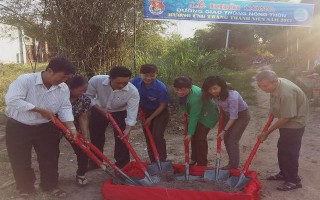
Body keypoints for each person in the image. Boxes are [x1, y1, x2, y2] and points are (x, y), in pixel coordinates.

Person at [5, 57, 76, 199]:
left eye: (66, 79)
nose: (63, 81)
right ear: (50, 71)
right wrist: (40, 110)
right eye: (61, 77)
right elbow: (12, 100)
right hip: (19, 126)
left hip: (46, 127)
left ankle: (49, 186)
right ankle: (26, 188)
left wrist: (72, 128)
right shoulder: (25, 80)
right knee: (20, 159)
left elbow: (65, 107)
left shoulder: (62, 87)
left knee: (49, 157)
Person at [256, 70, 308, 191]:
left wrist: (267, 132)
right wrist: (273, 111)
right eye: (259, 86)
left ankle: (294, 180)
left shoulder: (286, 93)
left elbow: (287, 117)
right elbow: (276, 101)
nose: (262, 89)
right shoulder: (276, 85)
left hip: (295, 123)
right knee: (282, 148)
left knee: (290, 152)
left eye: (264, 86)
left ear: (274, 81)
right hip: (288, 118)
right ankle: (284, 173)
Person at [85, 66, 140, 169]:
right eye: (118, 83)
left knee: (122, 138)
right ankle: (95, 161)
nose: (122, 85)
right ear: (110, 78)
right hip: (99, 109)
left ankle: (122, 165)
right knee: (96, 136)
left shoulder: (133, 92)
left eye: (125, 83)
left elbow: (132, 112)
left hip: (120, 112)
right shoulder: (96, 80)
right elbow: (88, 96)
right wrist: (99, 108)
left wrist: (128, 128)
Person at [202, 76, 250, 170]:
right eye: (210, 89)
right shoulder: (213, 94)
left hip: (241, 116)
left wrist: (224, 130)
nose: (212, 91)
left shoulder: (232, 97)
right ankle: (232, 163)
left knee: (232, 140)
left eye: (215, 88)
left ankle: (233, 166)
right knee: (226, 139)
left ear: (221, 87)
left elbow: (234, 117)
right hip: (227, 114)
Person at [173, 76, 219, 166]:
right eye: (177, 89)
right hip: (199, 112)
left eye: (182, 89)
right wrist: (183, 110)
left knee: (200, 138)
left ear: (189, 88)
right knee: (194, 137)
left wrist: (189, 133)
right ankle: (194, 158)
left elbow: (194, 116)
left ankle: (202, 164)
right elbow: (182, 101)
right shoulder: (184, 92)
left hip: (208, 115)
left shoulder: (196, 97)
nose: (179, 92)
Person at [132, 64, 170, 162]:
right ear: (140, 74)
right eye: (146, 75)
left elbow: (162, 105)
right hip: (145, 111)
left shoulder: (161, 88)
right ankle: (153, 161)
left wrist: (150, 118)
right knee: (149, 137)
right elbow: (131, 97)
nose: (149, 78)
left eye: (152, 75)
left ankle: (162, 160)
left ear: (156, 75)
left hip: (160, 112)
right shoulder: (134, 82)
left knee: (157, 136)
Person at [65, 76, 91, 186]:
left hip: (75, 127)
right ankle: (51, 178)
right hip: (56, 126)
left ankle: (81, 174)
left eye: (85, 90)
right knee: (52, 152)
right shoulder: (60, 97)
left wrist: (85, 135)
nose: (83, 93)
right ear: (70, 88)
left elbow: (83, 117)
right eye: (80, 90)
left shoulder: (84, 99)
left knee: (84, 149)